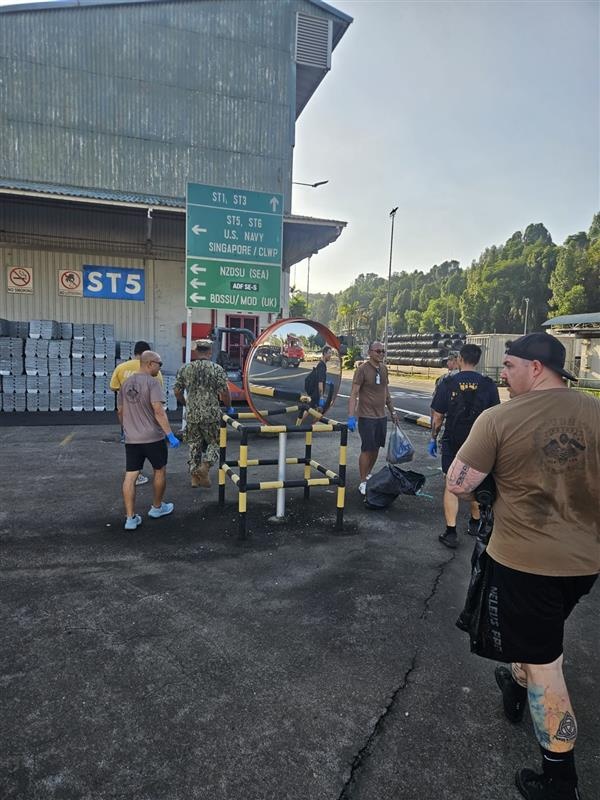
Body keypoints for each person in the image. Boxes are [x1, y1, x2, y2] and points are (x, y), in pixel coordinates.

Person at [446, 332, 599, 800]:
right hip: (586, 562)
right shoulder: (595, 411)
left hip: (524, 562)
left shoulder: (499, 419)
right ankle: (515, 679)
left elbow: (457, 482)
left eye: (509, 366)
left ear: (535, 368)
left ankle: (559, 781)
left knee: (546, 663)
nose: (504, 375)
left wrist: (491, 487)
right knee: (537, 635)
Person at [429, 343, 500, 548]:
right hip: (480, 441)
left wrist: (433, 438)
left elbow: (438, 416)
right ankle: (475, 523)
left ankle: (451, 532)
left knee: (451, 482)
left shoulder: (448, 383)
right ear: (477, 360)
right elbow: (495, 417)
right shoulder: (488, 384)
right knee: (476, 481)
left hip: (453, 438)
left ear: (460, 358)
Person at [117, 351, 180, 530]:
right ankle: (157, 508)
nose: (160, 367)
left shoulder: (126, 384)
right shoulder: (153, 383)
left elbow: (120, 411)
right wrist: (170, 434)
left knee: (131, 476)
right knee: (159, 470)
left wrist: (126, 430)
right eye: (159, 364)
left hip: (132, 439)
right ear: (150, 363)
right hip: (153, 437)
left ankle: (130, 518)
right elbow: (158, 411)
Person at [173, 339, 231, 488]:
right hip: (211, 414)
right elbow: (224, 392)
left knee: (194, 445)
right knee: (215, 443)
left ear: (196, 351)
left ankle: (194, 478)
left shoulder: (185, 369)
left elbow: (177, 391)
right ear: (210, 352)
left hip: (192, 414)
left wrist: (186, 403)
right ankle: (205, 466)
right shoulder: (216, 369)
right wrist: (228, 406)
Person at [347, 340, 398, 495]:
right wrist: (351, 416)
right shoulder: (362, 370)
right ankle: (362, 481)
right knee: (367, 448)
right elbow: (354, 394)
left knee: (376, 448)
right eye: (378, 351)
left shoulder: (383, 369)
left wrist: (393, 412)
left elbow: (386, 391)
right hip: (366, 416)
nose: (381, 354)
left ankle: (368, 474)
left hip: (380, 417)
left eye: (383, 351)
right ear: (370, 352)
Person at [110, 340, 164, 486]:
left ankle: (136, 474)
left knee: (132, 454)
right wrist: (168, 432)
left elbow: (114, 387)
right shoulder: (154, 372)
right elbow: (158, 400)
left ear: (134, 353)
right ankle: (157, 504)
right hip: (149, 419)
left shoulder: (121, 368)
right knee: (158, 464)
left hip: (128, 416)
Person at [310, 346, 333, 410]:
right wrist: (321, 397)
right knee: (310, 409)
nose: (330, 355)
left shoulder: (322, 364)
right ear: (324, 353)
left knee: (316, 411)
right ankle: (300, 419)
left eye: (331, 353)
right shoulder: (322, 366)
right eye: (329, 353)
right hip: (317, 395)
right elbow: (320, 382)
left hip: (316, 393)